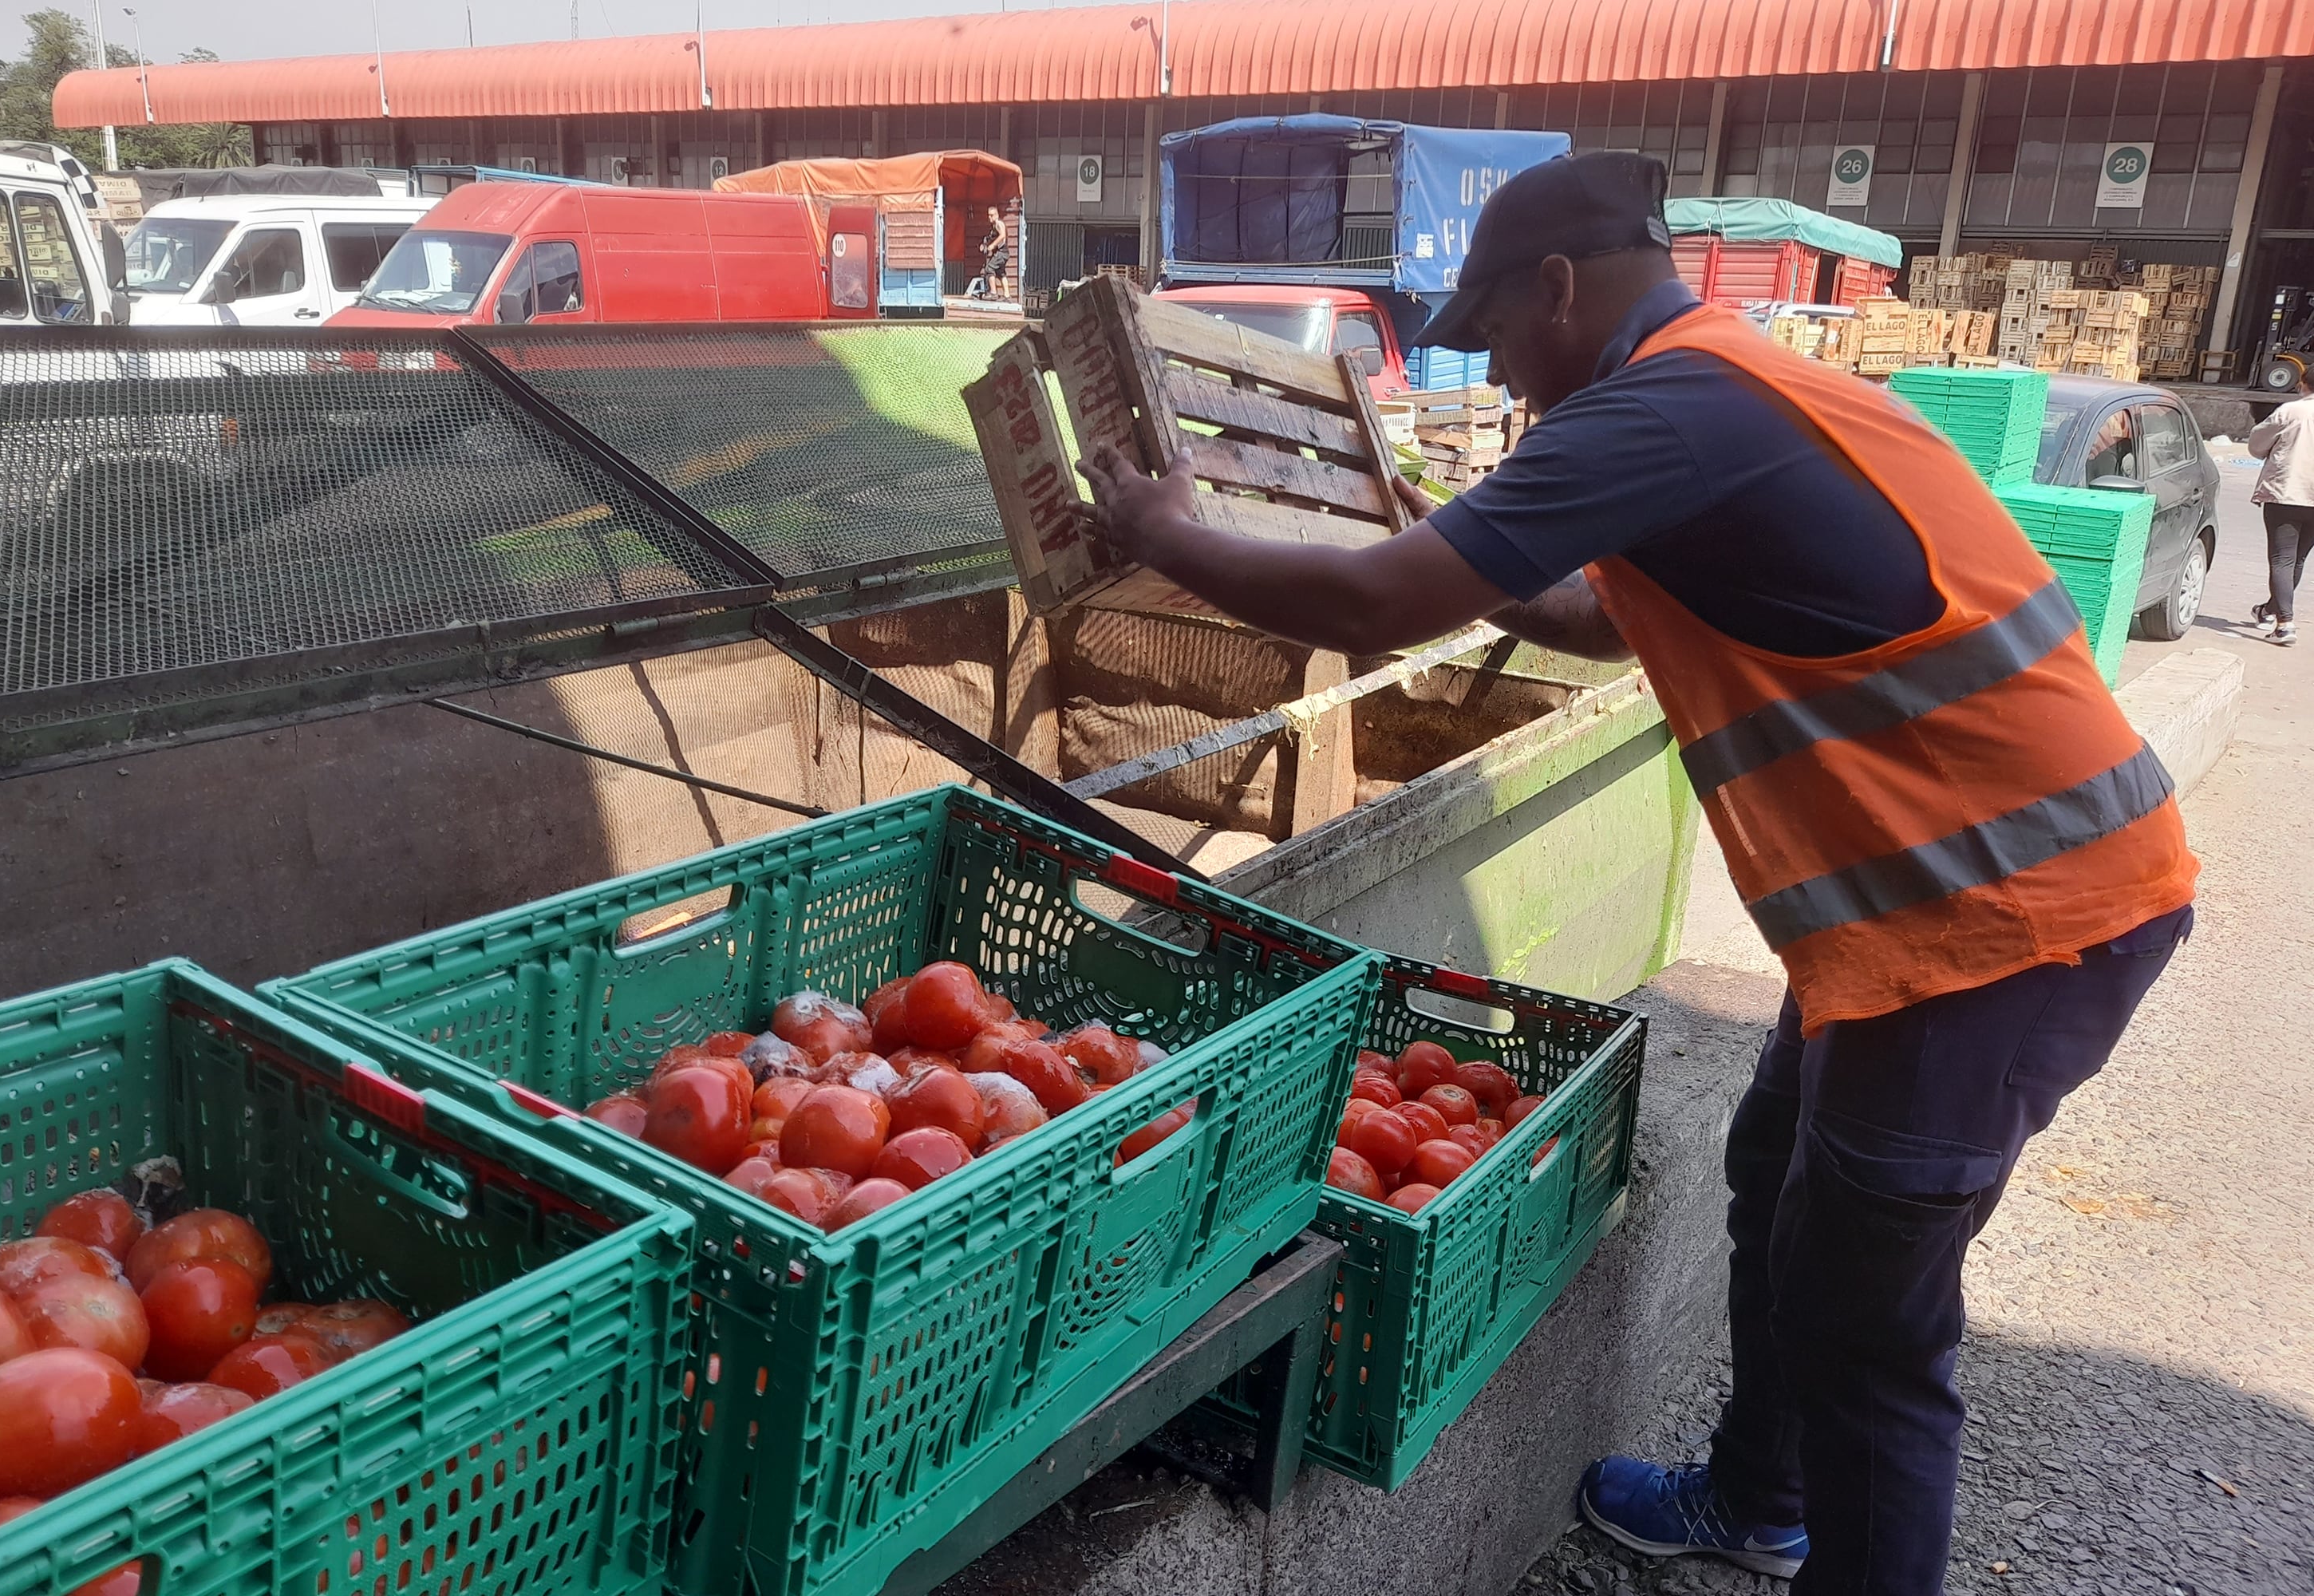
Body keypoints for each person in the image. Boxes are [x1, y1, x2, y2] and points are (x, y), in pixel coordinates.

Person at [1077, 152, 2198, 1594]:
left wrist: (1169, 533)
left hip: (1999, 931)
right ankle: (1757, 1501)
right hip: (1919, 920)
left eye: (1499, 336)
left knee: (1870, 1332)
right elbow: (1605, 617)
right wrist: (1465, 547)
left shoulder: (1668, 407)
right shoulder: (1722, 384)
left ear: (1559, 287)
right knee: (1775, 1176)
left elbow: (1377, 608)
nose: (1503, 375)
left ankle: (1819, 1529)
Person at [2248, 366, 2314, 646]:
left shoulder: (2290, 411)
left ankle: (2285, 624)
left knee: (2283, 559)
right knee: (2297, 560)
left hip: (2286, 493)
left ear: (2302, 384)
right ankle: (2269, 611)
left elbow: (2257, 445)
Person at [981, 206, 1010, 299]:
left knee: (989, 269)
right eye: (989, 215)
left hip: (1001, 252)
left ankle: (993, 293)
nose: (990, 217)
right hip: (1003, 253)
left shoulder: (999, 224)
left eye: (992, 215)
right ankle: (1007, 295)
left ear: (997, 215)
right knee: (1001, 272)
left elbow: (1002, 235)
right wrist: (985, 245)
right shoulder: (994, 227)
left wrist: (993, 245)